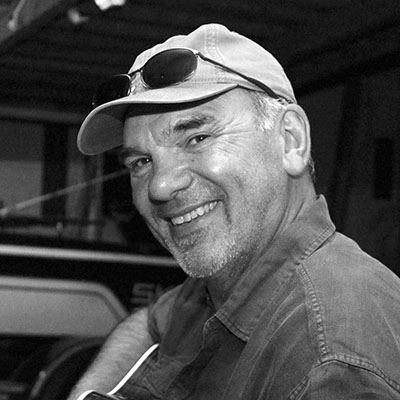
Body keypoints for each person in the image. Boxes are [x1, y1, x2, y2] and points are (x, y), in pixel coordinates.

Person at [69, 24, 400, 399]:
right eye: (141, 161)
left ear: (290, 140)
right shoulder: (229, 276)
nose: (160, 186)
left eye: (197, 138)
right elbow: (150, 324)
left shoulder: (330, 362)